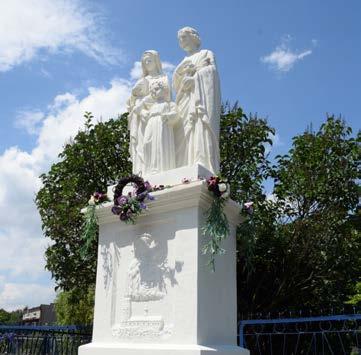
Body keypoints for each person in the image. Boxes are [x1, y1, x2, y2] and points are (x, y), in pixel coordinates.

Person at [173, 27, 221, 174]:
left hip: (200, 99)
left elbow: (212, 73)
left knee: (199, 126)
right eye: (179, 39)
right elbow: (176, 85)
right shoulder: (183, 62)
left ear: (193, 37)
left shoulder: (206, 53)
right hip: (185, 100)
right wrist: (182, 78)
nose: (181, 41)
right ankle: (184, 165)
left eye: (184, 37)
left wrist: (195, 79)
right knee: (183, 130)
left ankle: (202, 161)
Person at [127, 50, 171, 175]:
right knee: (143, 145)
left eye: (150, 60)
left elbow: (167, 97)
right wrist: (139, 107)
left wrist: (147, 100)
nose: (147, 63)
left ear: (156, 61)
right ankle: (142, 172)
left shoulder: (164, 78)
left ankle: (158, 168)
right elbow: (133, 99)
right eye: (145, 61)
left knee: (157, 143)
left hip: (158, 114)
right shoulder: (142, 80)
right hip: (142, 117)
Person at [133, 80, 178, 175]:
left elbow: (176, 114)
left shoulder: (169, 104)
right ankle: (149, 168)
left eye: (157, 89)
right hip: (151, 124)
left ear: (164, 90)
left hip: (162, 125)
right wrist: (143, 112)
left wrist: (167, 116)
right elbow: (137, 110)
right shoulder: (152, 106)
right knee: (147, 144)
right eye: (152, 90)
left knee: (160, 145)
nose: (154, 92)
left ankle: (160, 168)